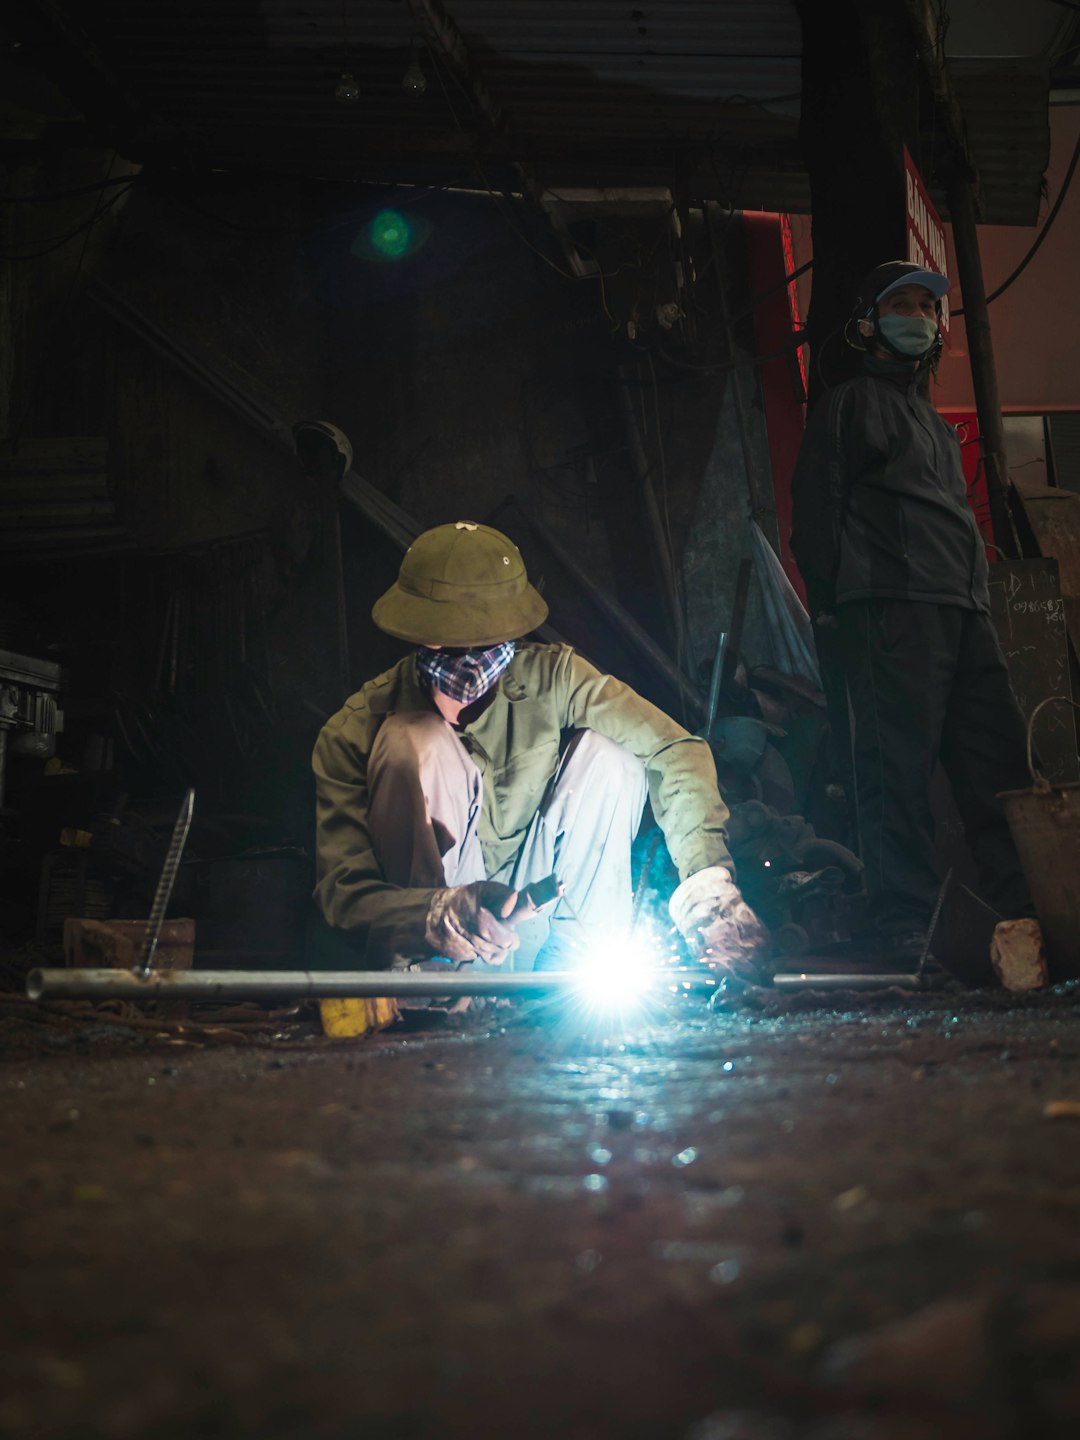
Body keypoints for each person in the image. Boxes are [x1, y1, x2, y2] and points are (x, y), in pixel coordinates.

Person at [312, 520, 766, 977]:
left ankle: (576, 973)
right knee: (413, 739)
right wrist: (433, 914)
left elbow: (672, 748)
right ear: (418, 632)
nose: (470, 657)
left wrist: (708, 887)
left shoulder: (555, 679)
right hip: (440, 944)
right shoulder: (354, 731)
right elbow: (343, 894)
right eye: (452, 642)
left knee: (611, 757)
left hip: (539, 930)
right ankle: (440, 979)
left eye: (486, 639)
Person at [790, 260, 1033, 965]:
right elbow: (816, 512)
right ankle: (906, 922)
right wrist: (833, 604)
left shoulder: (930, 421)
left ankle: (1024, 907)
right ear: (869, 321)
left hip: (962, 608)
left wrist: (975, 595)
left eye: (929, 306)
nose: (920, 317)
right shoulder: (849, 405)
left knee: (1001, 767)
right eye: (904, 304)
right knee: (895, 770)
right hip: (891, 610)